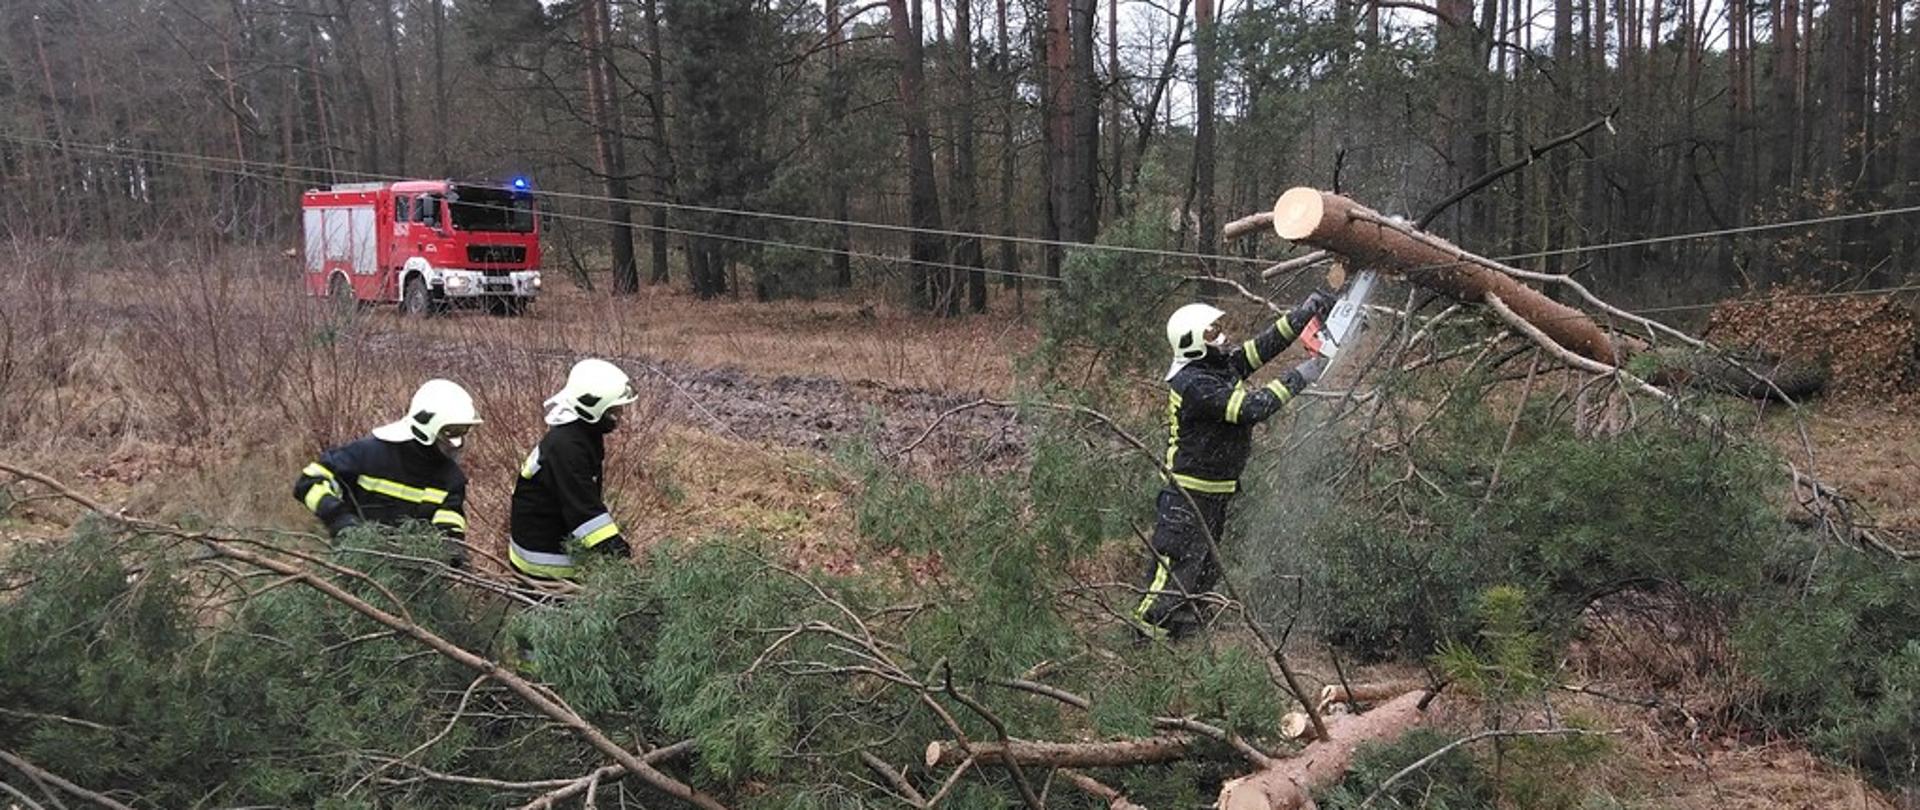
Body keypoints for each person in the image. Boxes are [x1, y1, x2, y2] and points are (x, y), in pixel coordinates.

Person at [1132, 292, 1337, 640]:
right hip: (1188, 493)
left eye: (1217, 329)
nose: (1221, 336)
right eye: (1211, 333)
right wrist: (1306, 372)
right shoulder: (1194, 383)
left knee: (1204, 568)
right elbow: (1252, 408)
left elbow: (1261, 347)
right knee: (1176, 568)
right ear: (1193, 343)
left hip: (1215, 491)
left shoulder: (1217, 365)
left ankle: (1182, 634)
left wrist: (1302, 314)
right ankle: (1144, 638)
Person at [293, 379, 481, 566]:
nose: (458, 441)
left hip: (412, 578)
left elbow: (449, 520)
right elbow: (309, 481)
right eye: (451, 431)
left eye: (464, 430)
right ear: (426, 425)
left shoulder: (450, 478)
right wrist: (339, 518)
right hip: (353, 565)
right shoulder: (367, 454)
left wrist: (452, 549)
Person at [507, 358, 640, 579]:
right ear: (592, 407)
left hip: (545, 546)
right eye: (613, 410)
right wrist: (619, 556)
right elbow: (584, 513)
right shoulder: (567, 447)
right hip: (544, 562)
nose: (619, 416)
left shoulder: (579, 434)